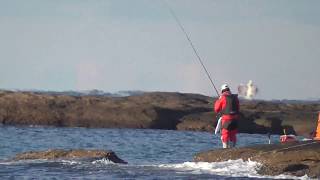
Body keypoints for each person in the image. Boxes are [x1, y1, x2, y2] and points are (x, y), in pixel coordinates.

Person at [214, 84, 240, 148]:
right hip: (235, 120)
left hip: (226, 120)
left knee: (225, 135)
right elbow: (238, 108)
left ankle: (225, 150)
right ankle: (233, 149)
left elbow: (216, 109)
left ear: (222, 91)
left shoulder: (222, 97)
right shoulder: (235, 97)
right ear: (229, 90)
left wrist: (219, 99)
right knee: (233, 135)